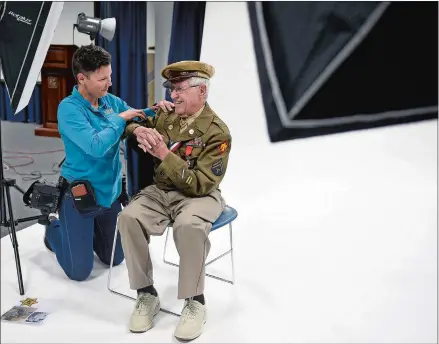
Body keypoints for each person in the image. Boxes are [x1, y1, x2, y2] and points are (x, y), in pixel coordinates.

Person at [117, 60, 232, 341]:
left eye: (180, 89)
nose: (173, 95)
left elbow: (200, 184)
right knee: (128, 217)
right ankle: (146, 294)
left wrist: (163, 155)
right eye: (172, 89)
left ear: (201, 91)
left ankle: (195, 301)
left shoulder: (217, 132)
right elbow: (130, 123)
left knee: (188, 226)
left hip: (200, 195)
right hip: (162, 191)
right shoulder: (166, 116)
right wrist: (139, 131)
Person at [44, 44, 173, 282]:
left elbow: (136, 114)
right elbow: (96, 146)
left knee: (114, 259)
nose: (109, 83)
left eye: (110, 76)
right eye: (103, 78)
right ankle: (53, 229)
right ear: (82, 79)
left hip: (109, 194)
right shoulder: (68, 109)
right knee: (79, 272)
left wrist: (157, 110)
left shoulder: (109, 101)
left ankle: (84, 233)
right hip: (80, 195)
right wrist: (120, 119)